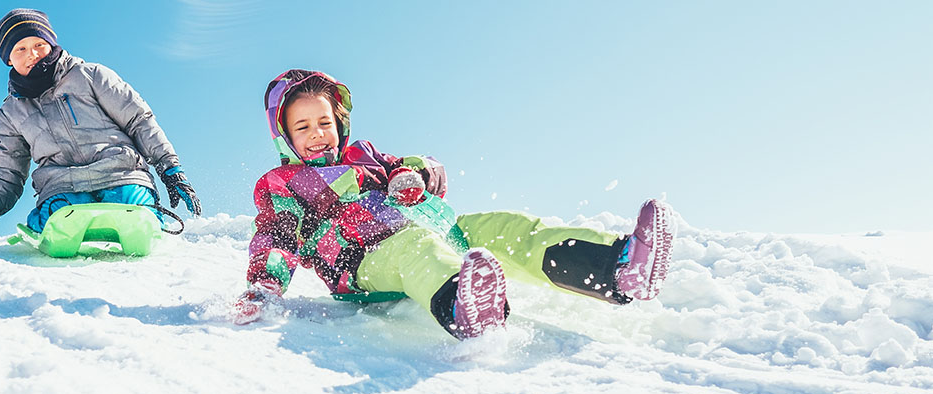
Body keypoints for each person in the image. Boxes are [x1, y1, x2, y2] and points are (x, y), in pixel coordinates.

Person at [232, 69, 677, 340]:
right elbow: (277, 236)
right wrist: (264, 285)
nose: (317, 133)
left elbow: (429, 170)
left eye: (325, 122)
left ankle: (616, 269)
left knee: (505, 227)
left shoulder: (366, 155)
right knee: (416, 252)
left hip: (435, 224)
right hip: (363, 262)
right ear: (284, 136)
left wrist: (413, 175)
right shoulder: (284, 183)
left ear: (340, 123)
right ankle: (465, 311)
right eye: (303, 126)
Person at [0, 9, 201, 251]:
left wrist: (170, 169)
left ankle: (141, 217)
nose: (33, 54)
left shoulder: (91, 76)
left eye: (39, 44)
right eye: (21, 49)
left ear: (51, 44)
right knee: (60, 212)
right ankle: (53, 225)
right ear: (8, 59)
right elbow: (7, 173)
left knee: (130, 204)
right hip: (62, 187)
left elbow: (139, 120)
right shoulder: (12, 112)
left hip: (121, 174)